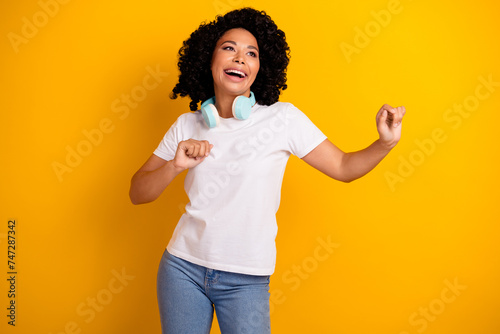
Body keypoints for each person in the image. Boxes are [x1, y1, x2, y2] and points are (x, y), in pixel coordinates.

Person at [129, 7, 406, 334]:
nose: (240, 58)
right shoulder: (187, 125)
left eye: (251, 53)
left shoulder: (283, 119)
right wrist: (175, 166)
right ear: (209, 59)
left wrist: (384, 144)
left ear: (260, 68)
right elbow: (137, 192)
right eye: (229, 48)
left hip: (246, 279)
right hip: (182, 269)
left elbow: (344, 167)